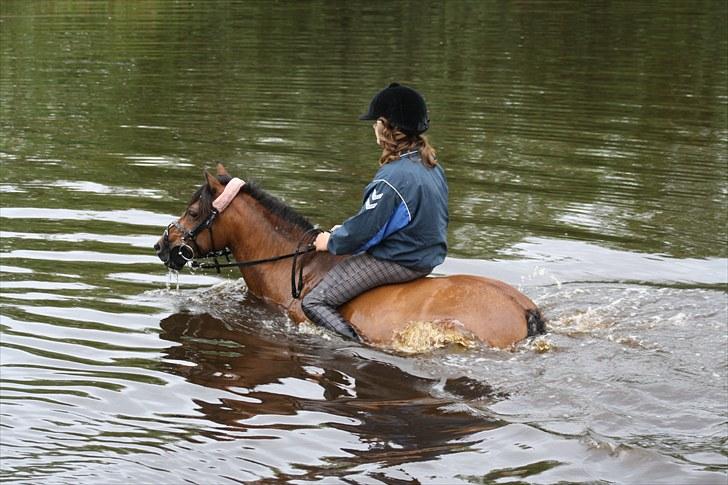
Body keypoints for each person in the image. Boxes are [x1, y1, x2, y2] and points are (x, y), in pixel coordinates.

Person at [301, 83, 449, 341]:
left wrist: (332, 241)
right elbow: (388, 221)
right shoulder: (431, 165)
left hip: (400, 260)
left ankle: (359, 350)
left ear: (388, 128)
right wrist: (346, 230)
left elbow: (364, 231)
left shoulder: (391, 177)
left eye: (377, 121)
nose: (373, 127)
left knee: (314, 302)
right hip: (428, 256)